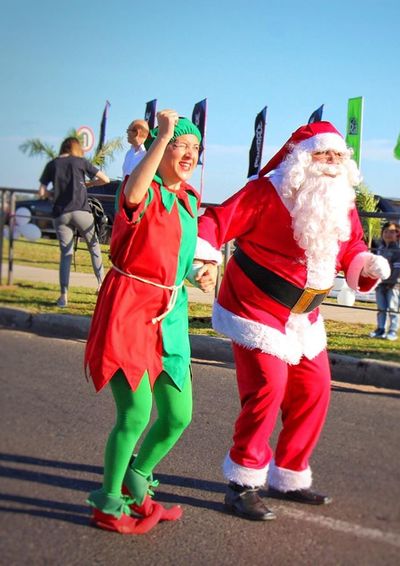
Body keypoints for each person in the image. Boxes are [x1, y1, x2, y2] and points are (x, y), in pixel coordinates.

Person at [195, 121, 390, 521]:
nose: (332, 163)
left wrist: (365, 263)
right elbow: (215, 222)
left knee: (315, 389)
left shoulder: (340, 200)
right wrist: (203, 258)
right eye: (323, 154)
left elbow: (350, 245)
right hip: (255, 307)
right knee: (269, 385)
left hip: (305, 317)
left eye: (338, 156)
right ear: (302, 158)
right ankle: (243, 482)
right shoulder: (266, 192)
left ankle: (289, 475)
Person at [83, 110, 218, 534]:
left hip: (170, 314)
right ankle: (109, 501)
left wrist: (197, 273)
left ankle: (138, 479)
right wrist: (161, 135)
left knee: (179, 414)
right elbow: (135, 193)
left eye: (195, 148)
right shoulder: (142, 189)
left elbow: (175, 255)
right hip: (129, 308)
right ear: (162, 148)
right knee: (136, 414)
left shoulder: (190, 200)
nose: (189, 154)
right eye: (182, 145)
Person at [38, 137, 110, 307]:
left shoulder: (52, 164)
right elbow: (105, 179)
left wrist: (53, 194)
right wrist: (88, 184)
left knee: (66, 254)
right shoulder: (81, 162)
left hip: (61, 213)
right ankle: (101, 285)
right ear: (77, 148)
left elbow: (41, 191)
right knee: (94, 247)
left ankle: (63, 296)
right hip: (81, 211)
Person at [369, 221, 400, 341]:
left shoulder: (397, 251)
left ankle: (393, 330)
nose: (388, 234)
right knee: (381, 308)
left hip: (392, 286)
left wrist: (391, 283)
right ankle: (380, 329)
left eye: (392, 232)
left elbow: (398, 269)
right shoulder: (379, 248)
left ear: (397, 235)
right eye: (386, 231)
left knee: (393, 308)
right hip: (379, 284)